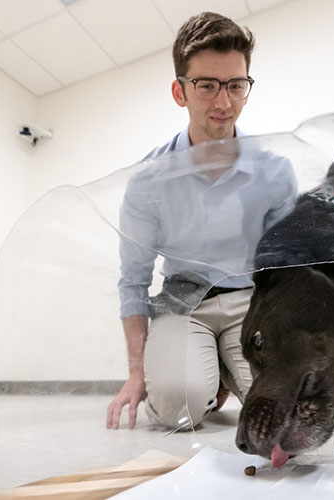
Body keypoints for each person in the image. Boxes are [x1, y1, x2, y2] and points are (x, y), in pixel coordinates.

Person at [106, 12, 297, 431]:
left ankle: (226, 369)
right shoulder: (148, 180)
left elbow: (287, 267)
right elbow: (134, 282)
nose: (223, 102)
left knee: (278, 412)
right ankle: (206, 374)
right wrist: (138, 374)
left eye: (235, 85)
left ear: (247, 87)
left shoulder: (275, 171)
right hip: (183, 304)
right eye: (207, 85)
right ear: (180, 91)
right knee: (177, 412)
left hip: (252, 302)